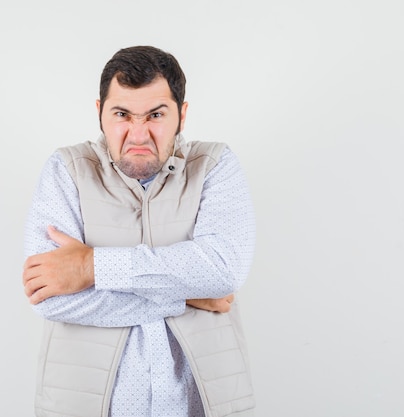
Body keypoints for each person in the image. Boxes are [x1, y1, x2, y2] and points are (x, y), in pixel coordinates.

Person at [22, 45, 256, 417]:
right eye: (122, 114)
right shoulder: (66, 170)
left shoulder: (214, 165)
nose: (138, 132)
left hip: (200, 404)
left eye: (156, 114)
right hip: (85, 405)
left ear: (182, 114)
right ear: (99, 113)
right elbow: (50, 296)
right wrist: (186, 296)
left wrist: (91, 268)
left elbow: (223, 268)